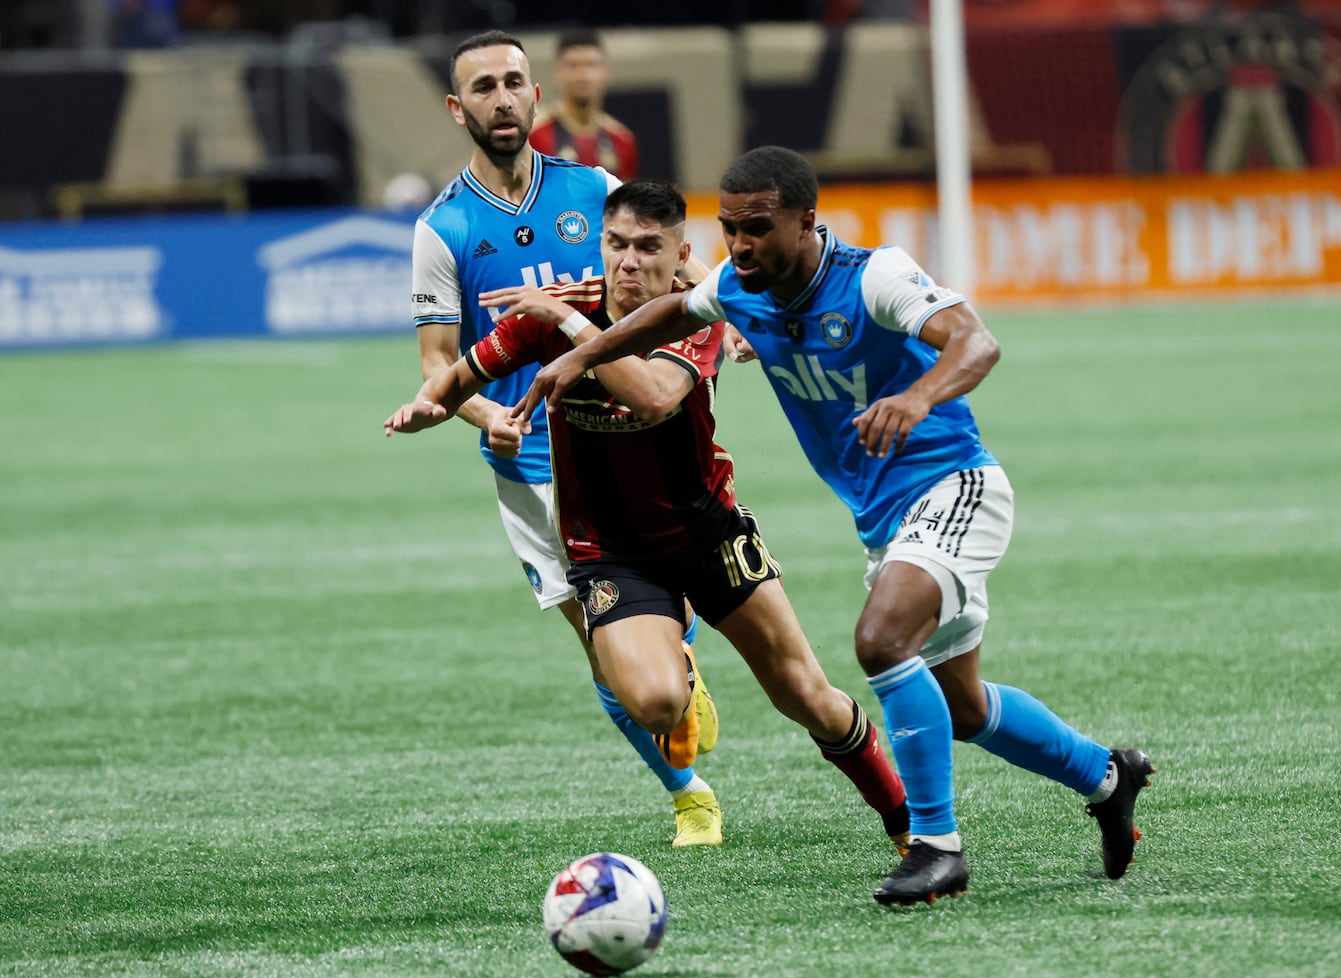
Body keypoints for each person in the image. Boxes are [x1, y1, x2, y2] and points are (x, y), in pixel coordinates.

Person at [515, 146, 1156, 905]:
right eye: (729, 228)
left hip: (955, 487)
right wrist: (579, 353)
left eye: (758, 228)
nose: (741, 245)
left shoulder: (872, 275)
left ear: (805, 222)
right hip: (887, 518)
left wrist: (917, 399)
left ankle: (935, 849)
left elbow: (976, 341)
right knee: (961, 707)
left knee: (881, 642)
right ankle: (1109, 777)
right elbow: (669, 311)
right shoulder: (739, 287)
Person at [388, 178, 911, 856]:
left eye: (647, 247)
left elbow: (656, 398)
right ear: (600, 245)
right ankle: (680, 670)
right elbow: (460, 378)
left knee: (808, 696)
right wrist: (440, 407)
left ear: (680, 255)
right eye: (615, 245)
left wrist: (571, 331)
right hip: (611, 551)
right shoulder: (554, 311)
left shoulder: (690, 316)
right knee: (655, 704)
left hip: (707, 533)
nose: (629, 262)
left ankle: (907, 824)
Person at [410, 30, 721, 848]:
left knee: (656, 625)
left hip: (628, 442)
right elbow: (440, 368)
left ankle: (681, 653)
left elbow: (680, 283)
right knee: (605, 654)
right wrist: (490, 418)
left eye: (515, 81)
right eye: (483, 87)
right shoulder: (442, 231)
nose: (502, 98)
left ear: (536, 96)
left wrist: (716, 333)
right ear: (458, 109)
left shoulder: (595, 187)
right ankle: (690, 795)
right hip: (533, 472)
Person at [529, 30, 639, 180]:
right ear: (558, 73)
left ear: (605, 73)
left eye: (591, 65)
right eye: (573, 66)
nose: (583, 75)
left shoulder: (621, 139)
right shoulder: (533, 134)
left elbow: (625, 199)